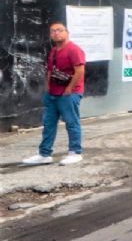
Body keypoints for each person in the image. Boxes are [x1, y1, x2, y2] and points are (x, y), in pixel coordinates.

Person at [22, 21, 86, 166]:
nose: (56, 33)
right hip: (52, 94)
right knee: (48, 124)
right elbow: (50, 71)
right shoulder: (53, 51)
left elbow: (80, 71)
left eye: (59, 30)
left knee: (72, 122)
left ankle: (75, 152)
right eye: (53, 31)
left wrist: (69, 89)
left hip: (69, 94)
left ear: (67, 32)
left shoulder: (74, 50)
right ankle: (44, 154)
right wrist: (48, 88)